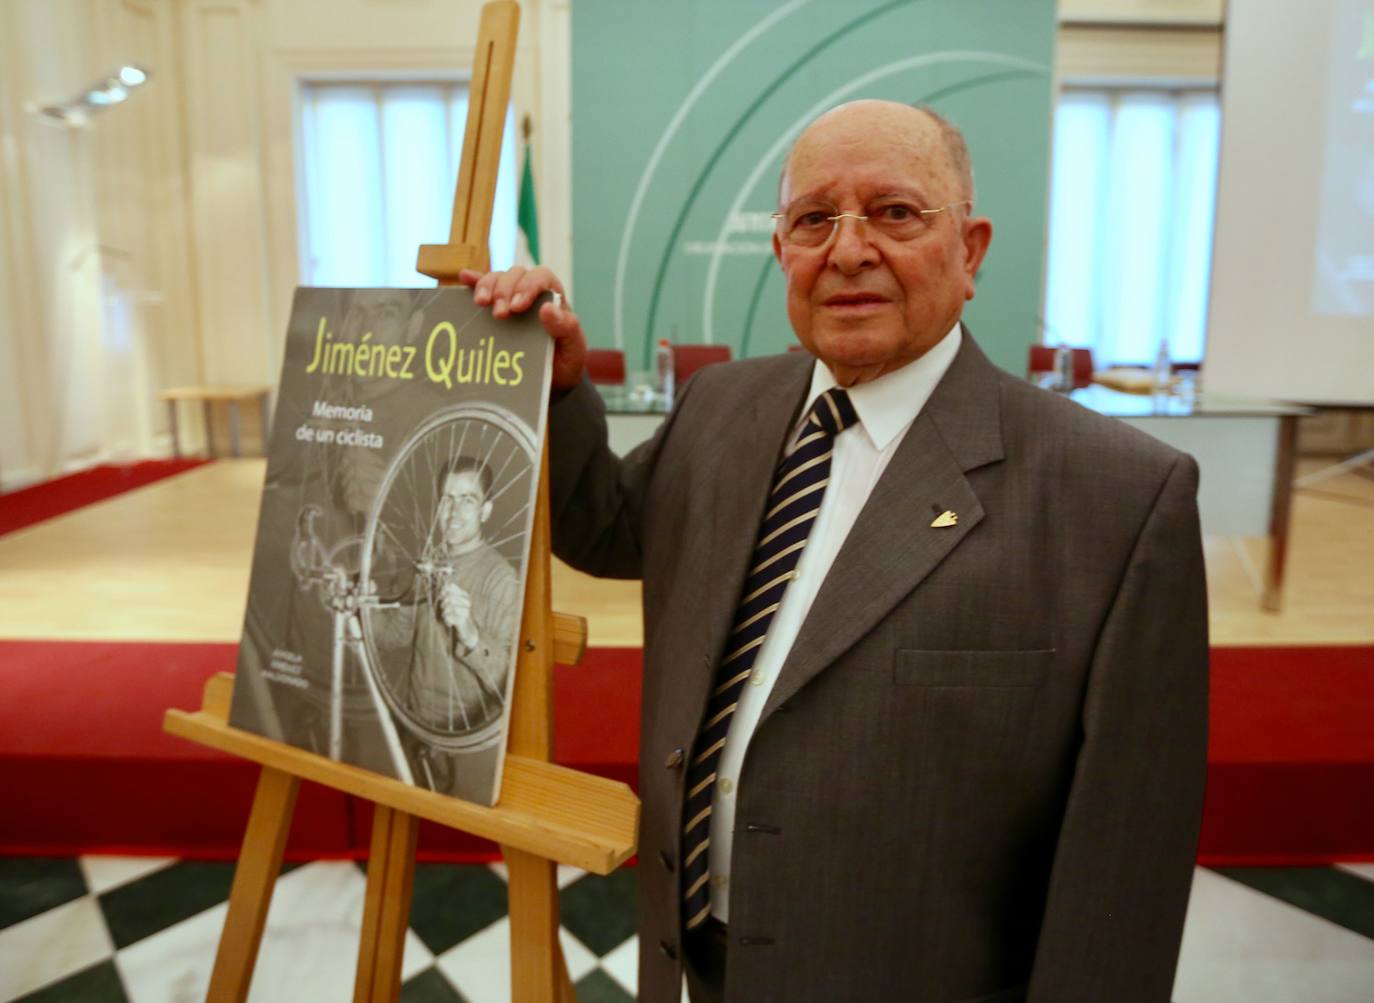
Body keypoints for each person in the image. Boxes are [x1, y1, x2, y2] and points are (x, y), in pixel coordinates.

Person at [460, 100, 1208, 1003]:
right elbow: (608, 526)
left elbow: (1124, 876)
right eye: (814, 218)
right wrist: (561, 386)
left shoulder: (1118, 498)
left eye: (895, 213)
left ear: (969, 251)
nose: (848, 250)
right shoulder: (720, 407)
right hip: (689, 964)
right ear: (783, 250)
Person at [377, 455, 521, 792]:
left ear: (486, 510)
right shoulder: (429, 561)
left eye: (468, 500)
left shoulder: (502, 580)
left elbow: (507, 683)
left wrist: (471, 633)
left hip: (463, 740)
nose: (454, 511)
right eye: (447, 498)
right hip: (414, 727)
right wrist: (364, 605)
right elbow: (396, 634)